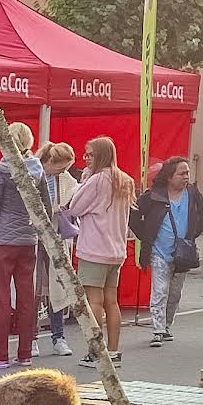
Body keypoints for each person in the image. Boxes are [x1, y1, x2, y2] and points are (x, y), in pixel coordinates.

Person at [0, 123, 69, 369]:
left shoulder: (1, 172)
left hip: (2, 241)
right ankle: (25, 353)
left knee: (2, 298)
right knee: (27, 297)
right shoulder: (38, 170)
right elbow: (45, 208)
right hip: (29, 240)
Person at [66, 137, 136, 366]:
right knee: (111, 301)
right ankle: (113, 350)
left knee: (93, 301)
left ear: (101, 156)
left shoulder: (96, 180)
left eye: (89, 155)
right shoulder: (125, 179)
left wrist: (84, 181)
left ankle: (95, 351)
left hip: (95, 248)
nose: (86, 159)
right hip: (116, 248)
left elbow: (74, 207)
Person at [130, 156, 203, 347]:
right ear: (169, 177)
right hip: (159, 251)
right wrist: (146, 235)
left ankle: (166, 326)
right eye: (181, 173)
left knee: (174, 293)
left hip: (184, 253)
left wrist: (191, 236)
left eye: (187, 173)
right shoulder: (153, 195)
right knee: (160, 290)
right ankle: (157, 329)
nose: (186, 176)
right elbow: (133, 214)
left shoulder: (193, 193)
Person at [34, 141, 80, 359]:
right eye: (62, 166)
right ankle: (31, 337)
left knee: (58, 288)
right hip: (33, 237)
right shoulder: (32, 175)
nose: (65, 171)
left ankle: (58, 337)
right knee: (32, 289)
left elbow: (73, 199)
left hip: (56, 238)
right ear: (51, 161)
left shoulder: (67, 180)